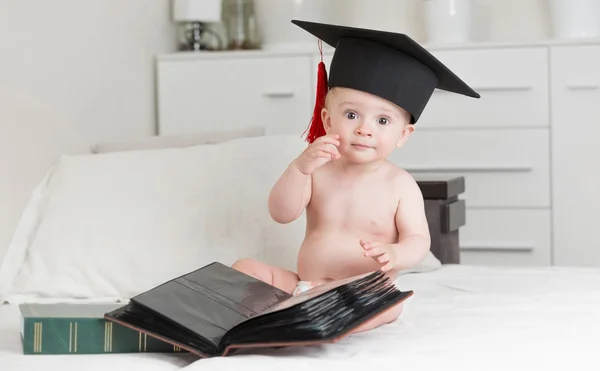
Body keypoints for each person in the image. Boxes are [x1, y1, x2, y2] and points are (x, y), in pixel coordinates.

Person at [232, 20, 480, 334]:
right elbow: (281, 213)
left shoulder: (399, 184)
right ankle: (292, 315)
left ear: (403, 135)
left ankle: (318, 320)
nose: (365, 128)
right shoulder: (317, 168)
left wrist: (395, 254)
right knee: (244, 270)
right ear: (327, 119)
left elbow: (418, 240)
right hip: (305, 286)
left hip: (360, 292)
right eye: (351, 115)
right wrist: (299, 169)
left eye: (382, 120)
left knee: (391, 302)